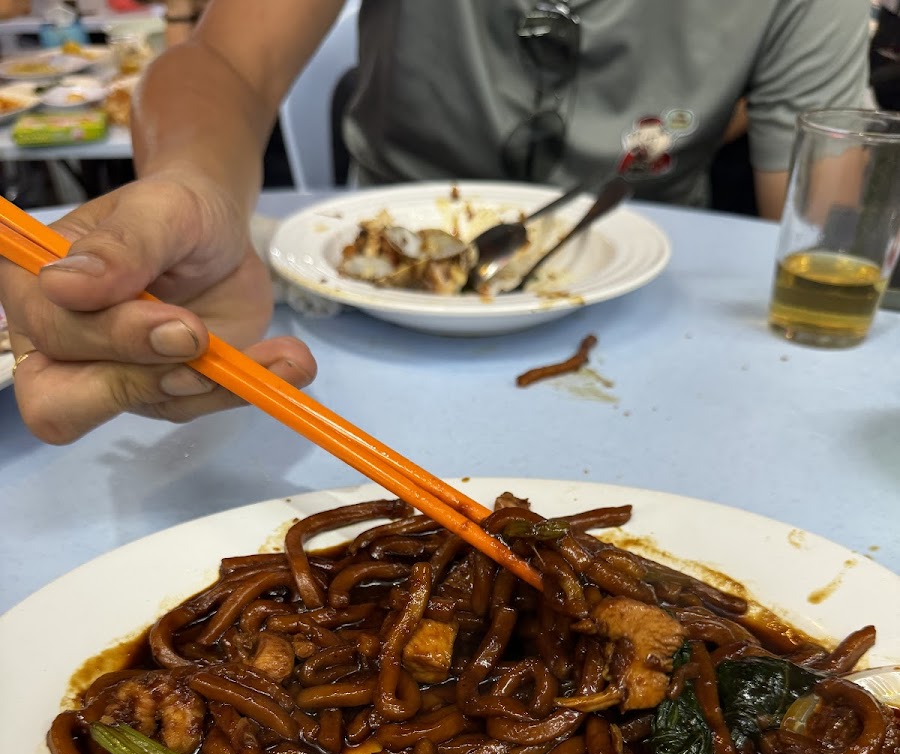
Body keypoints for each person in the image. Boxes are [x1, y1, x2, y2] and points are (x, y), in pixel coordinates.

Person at [2, 0, 871, 445]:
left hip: (663, 344)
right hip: (349, 333)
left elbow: (826, 242)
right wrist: (196, 186)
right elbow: (222, 61)